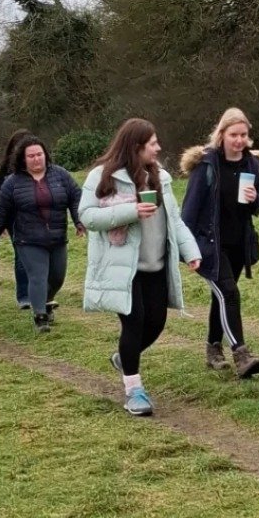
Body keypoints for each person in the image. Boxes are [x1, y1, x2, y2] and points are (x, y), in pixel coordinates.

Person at [81, 119, 201, 416]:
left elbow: (175, 221)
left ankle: (125, 356)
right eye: (152, 143)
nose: (158, 148)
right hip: (124, 267)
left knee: (156, 322)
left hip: (156, 264)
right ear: (136, 147)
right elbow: (87, 216)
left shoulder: (161, 176)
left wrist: (191, 252)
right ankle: (134, 390)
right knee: (134, 323)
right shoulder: (102, 176)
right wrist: (130, 211)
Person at [180, 107, 259, 379]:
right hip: (210, 246)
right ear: (221, 135)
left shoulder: (252, 164)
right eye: (233, 135)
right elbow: (189, 213)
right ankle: (241, 354)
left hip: (239, 244)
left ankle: (212, 348)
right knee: (229, 294)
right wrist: (187, 250)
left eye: (243, 135)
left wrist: (255, 200)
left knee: (222, 297)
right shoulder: (207, 165)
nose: (239, 140)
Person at [0, 136, 84, 332]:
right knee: (37, 276)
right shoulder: (12, 182)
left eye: (39, 154)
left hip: (57, 237)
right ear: (23, 159)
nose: (36, 159)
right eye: (31, 156)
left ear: (46, 155)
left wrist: (79, 220)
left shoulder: (61, 175)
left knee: (57, 278)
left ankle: (44, 301)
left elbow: (75, 197)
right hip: (28, 239)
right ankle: (40, 317)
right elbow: (1, 212)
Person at [0, 128, 33, 311]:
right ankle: (24, 295)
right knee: (21, 256)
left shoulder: (39, 166)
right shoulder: (6, 169)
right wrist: (1, 223)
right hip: (14, 219)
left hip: (37, 218)